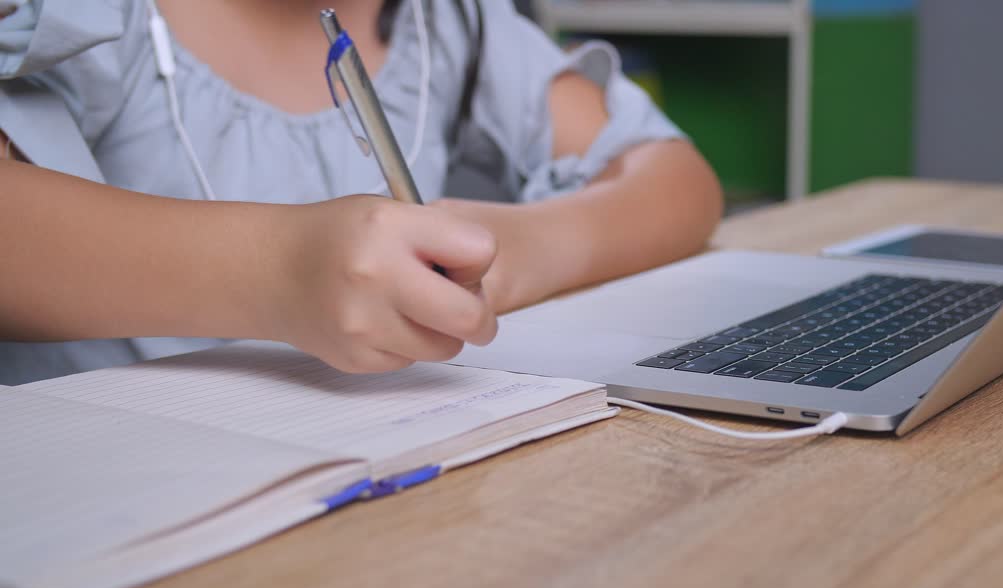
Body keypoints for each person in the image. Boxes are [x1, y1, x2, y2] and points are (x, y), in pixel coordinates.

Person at [0, 0, 722, 385]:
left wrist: (530, 246)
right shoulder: (86, 18)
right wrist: (276, 269)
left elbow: (675, 179)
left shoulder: (448, 23)